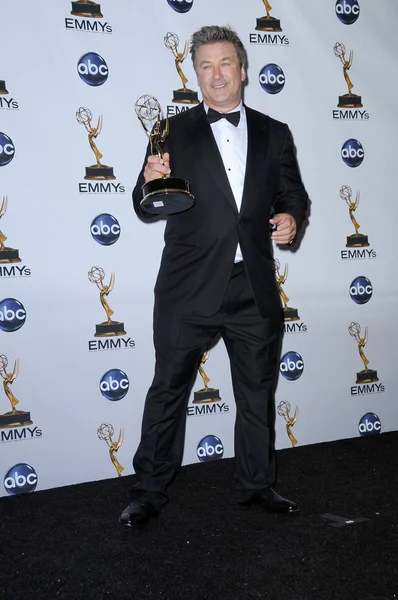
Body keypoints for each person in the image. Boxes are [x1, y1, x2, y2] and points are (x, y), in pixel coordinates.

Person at [120, 25, 308, 527]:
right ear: (196, 74)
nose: (216, 74)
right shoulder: (169, 130)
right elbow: (144, 207)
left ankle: (257, 484)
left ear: (243, 70)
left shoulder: (275, 131)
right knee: (168, 391)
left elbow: (293, 194)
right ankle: (149, 490)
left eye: (226, 63)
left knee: (256, 393)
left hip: (253, 285)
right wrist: (147, 185)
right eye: (206, 65)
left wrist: (291, 217)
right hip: (188, 287)